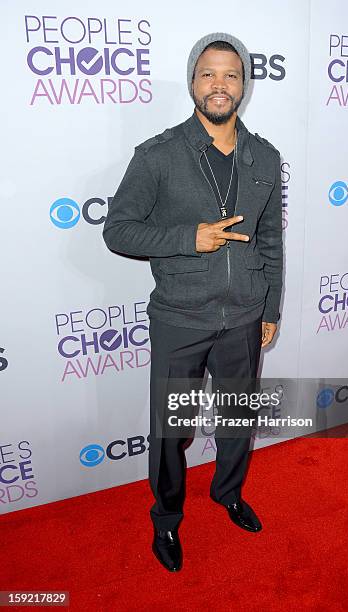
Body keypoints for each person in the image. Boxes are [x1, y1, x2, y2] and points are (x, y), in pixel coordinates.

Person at [103, 32, 283, 572]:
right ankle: (166, 519)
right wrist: (190, 237)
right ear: (192, 82)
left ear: (245, 85)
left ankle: (228, 493)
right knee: (170, 432)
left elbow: (270, 238)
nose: (220, 84)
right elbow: (118, 231)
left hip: (245, 316)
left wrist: (270, 308)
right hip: (181, 318)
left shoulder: (265, 157)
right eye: (209, 74)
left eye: (231, 74)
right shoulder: (157, 156)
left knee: (235, 420)